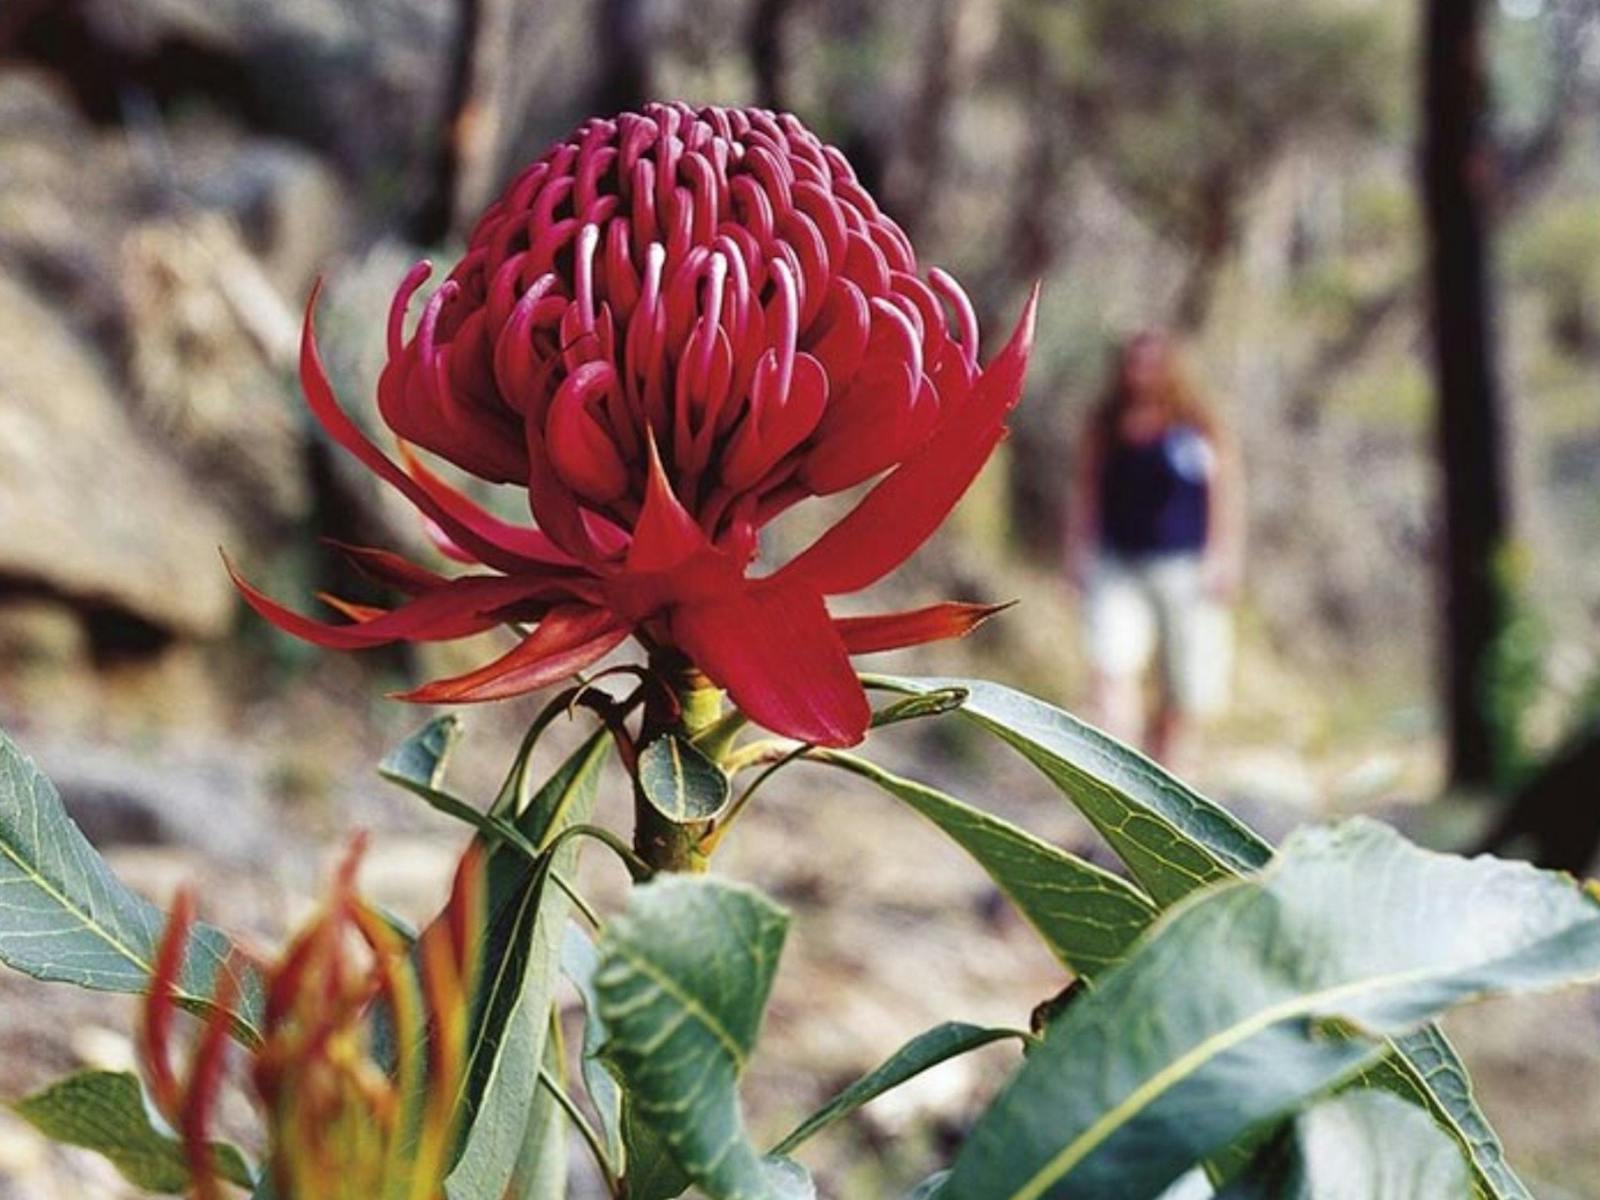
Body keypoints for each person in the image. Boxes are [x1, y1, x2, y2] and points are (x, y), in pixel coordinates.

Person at [1064, 331, 1243, 768]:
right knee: (1110, 663)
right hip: (1117, 562)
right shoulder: (1107, 424)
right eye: (1133, 362)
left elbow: (1224, 493)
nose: (1140, 373)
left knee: (1183, 681)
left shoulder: (1196, 424)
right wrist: (1077, 554)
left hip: (1184, 567)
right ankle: (1116, 766)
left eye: (1150, 363)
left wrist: (1225, 557)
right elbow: (1086, 492)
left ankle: (1168, 773)